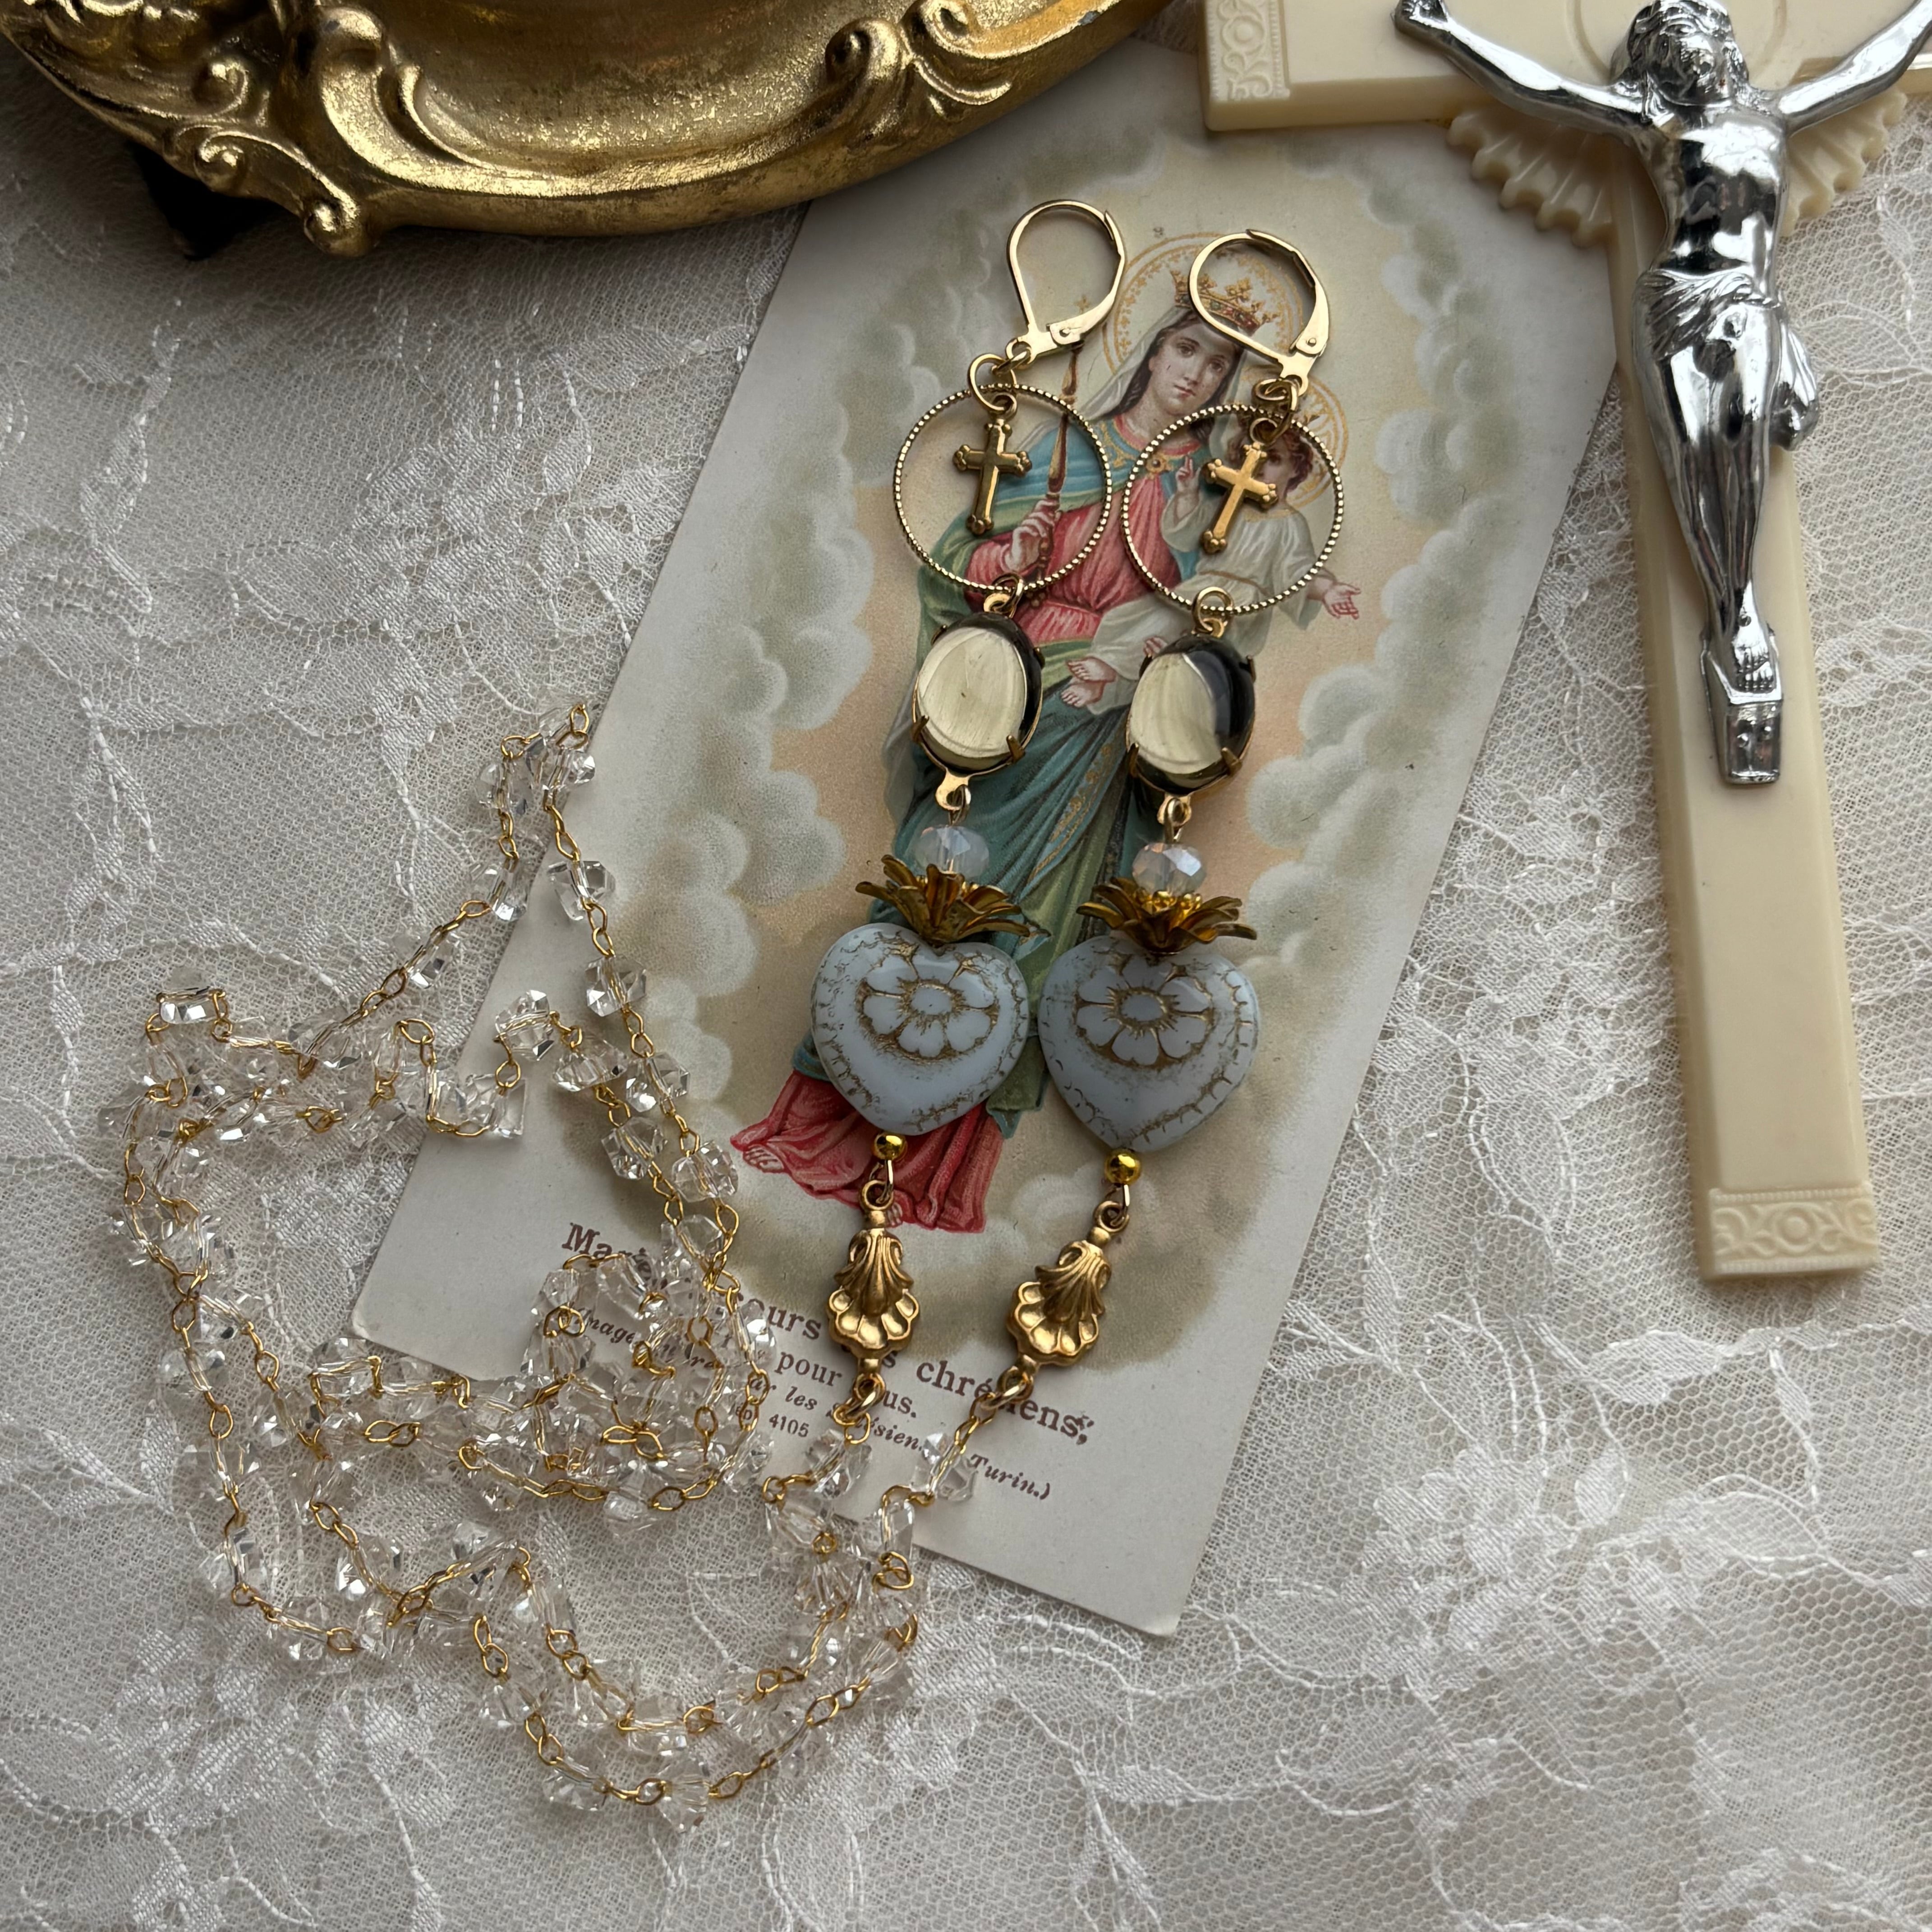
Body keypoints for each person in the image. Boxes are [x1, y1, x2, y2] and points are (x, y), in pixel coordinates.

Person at [735, 304, 1247, 1230]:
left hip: (1104, 725)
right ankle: (837, 1119)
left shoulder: (1207, 490)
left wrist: (1139, 658)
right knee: (932, 896)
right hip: (1012, 693)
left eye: (1217, 367)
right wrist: (1009, 554)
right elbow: (958, 566)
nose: (1196, 376)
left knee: (1041, 925)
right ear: (1150, 351)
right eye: (1186, 348)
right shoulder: (1069, 451)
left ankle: (936, 1174)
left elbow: (1202, 620)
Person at [1394, 0, 1932, 781]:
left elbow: (1869, 70)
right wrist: (1448, 34)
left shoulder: (1774, 113)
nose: (1691, 61)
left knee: (1741, 434)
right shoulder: (1656, 121)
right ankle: (1730, 614)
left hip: (1748, 300)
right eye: (1673, 53)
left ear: (1724, 48)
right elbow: (1540, 89)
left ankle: (1739, 615)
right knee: (1691, 459)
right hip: (1674, 299)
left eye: (1698, 44)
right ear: (1659, 68)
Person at [1067, 426, 1359, 714]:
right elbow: (1186, 534)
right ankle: (1102, 682)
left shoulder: (1289, 523)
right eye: (1250, 455)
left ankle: (1119, 669)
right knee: (1132, 619)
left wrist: (1328, 590)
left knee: (1175, 634)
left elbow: (1299, 570)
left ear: (1295, 469)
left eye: (1274, 459)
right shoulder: (1228, 505)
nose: (1258, 465)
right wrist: (1187, 495)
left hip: (1240, 604)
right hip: (1199, 588)